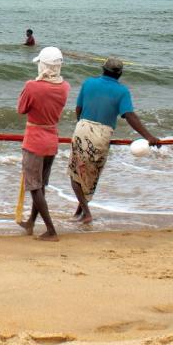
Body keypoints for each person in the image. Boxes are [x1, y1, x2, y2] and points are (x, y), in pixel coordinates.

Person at [68, 57, 161, 224]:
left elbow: (78, 108)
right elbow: (130, 116)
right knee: (92, 174)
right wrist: (149, 137)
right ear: (120, 74)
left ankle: (86, 213)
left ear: (103, 69)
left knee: (76, 174)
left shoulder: (88, 83)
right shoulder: (122, 91)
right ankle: (80, 211)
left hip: (83, 128)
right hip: (103, 134)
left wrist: (81, 125)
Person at [16, 47, 70, 241]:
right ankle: (31, 221)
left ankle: (51, 230)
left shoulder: (32, 86)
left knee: (34, 186)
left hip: (34, 140)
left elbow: (21, 109)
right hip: (51, 139)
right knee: (40, 185)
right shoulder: (65, 87)